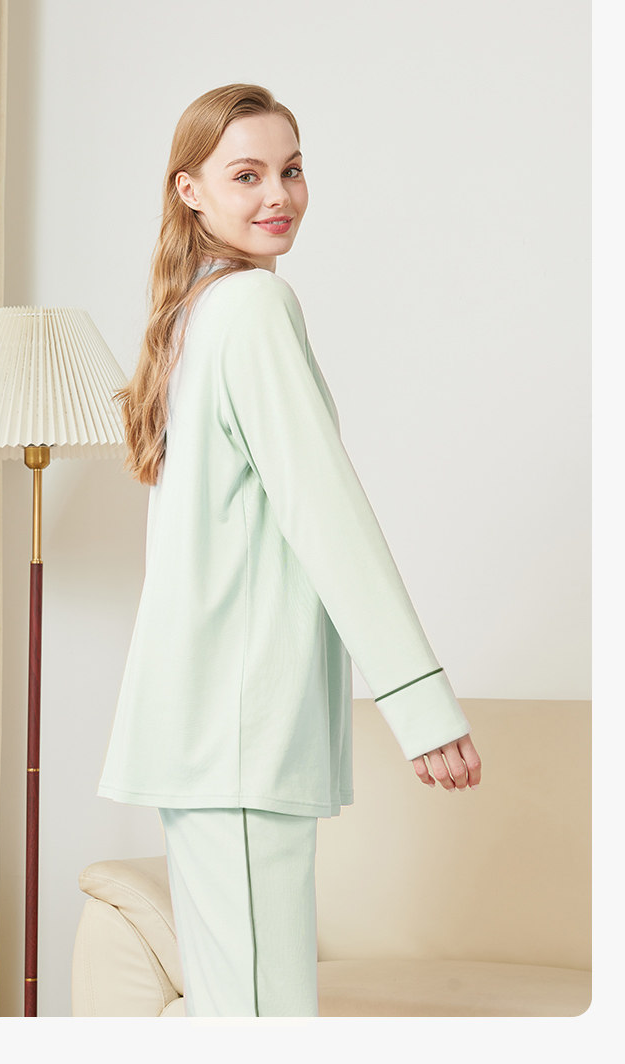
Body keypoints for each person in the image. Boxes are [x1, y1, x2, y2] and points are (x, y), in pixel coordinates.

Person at [97, 83, 482, 1017]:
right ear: (190, 190)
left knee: (239, 1011)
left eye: (293, 169)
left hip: (213, 727)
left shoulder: (197, 313)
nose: (280, 194)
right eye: (248, 175)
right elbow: (327, 513)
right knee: (264, 1020)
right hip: (239, 725)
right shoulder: (252, 309)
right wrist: (419, 701)